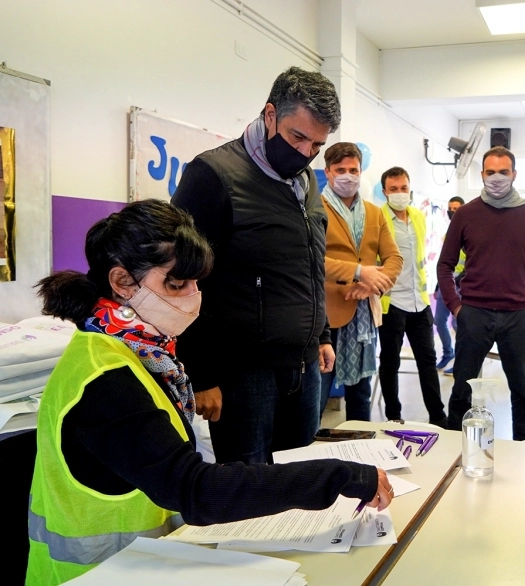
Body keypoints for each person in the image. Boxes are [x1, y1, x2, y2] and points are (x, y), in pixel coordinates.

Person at [27, 200, 392, 586]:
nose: (193, 296)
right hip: (92, 576)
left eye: (196, 283)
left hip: (150, 561)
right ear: (121, 282)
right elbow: (193, 489)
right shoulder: (104, 378)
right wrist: (335, 477)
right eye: (176, 283)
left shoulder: (141, 352)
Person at [171, 66, 338, 464]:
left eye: (317, 145)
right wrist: (202, 373)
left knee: (301, 480)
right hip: (243, 373)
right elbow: (180, 277)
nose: (304, 153)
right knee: (248, 490)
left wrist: (323, 332)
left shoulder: (307, 181)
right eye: (297, 137)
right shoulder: (213, 174)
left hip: (303, 364)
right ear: (269, 115)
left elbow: (310, 263)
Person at [438, 146, 525, 440]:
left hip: (518, 316)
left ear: (514, 174)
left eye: (504, 172)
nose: (497, 178)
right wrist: (456, 307)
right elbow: (445, 265)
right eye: (491, 172)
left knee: (523, 394)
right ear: (482, 174)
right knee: (462, 390)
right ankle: (453, 452)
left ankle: (524, 448)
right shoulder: (465, 214)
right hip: (473, 314)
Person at [320, 143, 402, 421]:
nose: (347, 176)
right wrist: (357, 271)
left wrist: (373, 283)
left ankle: (362, 456)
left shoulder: (374, 212)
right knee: (317, 395)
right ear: (328, 172)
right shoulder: (314, 210)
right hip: (325, 317)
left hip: (364, 316)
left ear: (361, 171)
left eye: (353, 170)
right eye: (340, 170)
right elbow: (310, 260)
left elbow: (394, 259)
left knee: (361, 394)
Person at [376, 166, 447, 426]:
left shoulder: (417, 216)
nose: (399, 193)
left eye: (403, 188)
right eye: (393, 189)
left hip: (420, 301)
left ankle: (438, 417)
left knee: (428, 361)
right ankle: (393, 415)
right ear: (384, 192)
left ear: (410, 189)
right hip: (391, 302)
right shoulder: (377, 218)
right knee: (390, 361)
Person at [434, 196, 465, 371]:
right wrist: (440, 283)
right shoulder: (448, 233)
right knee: (439, 320)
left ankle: (460, 361)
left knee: (458, 324)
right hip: (445, 285)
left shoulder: (471, 230)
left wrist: (459, 280)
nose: (453, 212)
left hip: (462, 287)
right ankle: (448, 353)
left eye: (456, 208)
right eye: (450, 209)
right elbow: (444, 261)